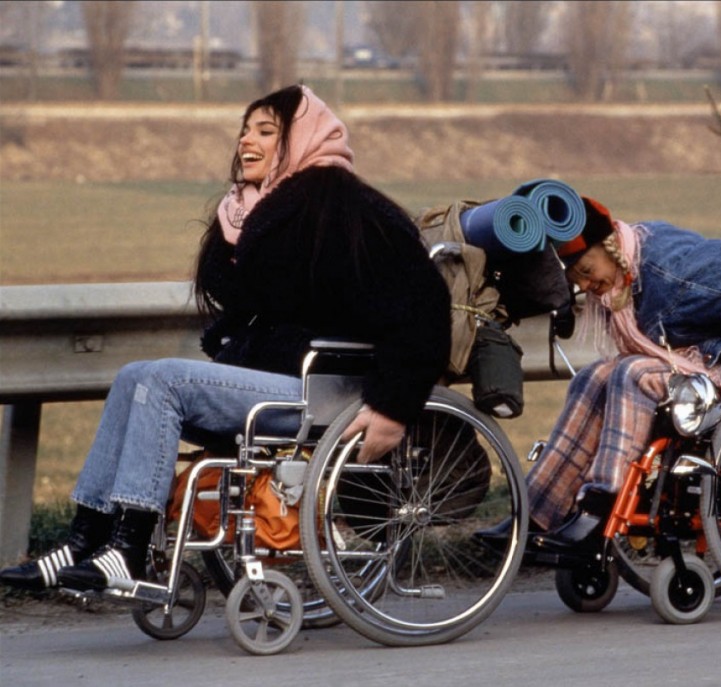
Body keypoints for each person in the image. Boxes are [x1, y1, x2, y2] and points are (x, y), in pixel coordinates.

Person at [1, 85, 451, 593]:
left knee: (163, 382)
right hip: (271, 376)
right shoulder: (259, 209)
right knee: (132, 377)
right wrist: (237, 232)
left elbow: (424, 306)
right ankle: (84, 541)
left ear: (303, 137)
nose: (245, 141)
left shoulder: (349, 209)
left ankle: (129, 549)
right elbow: (245, 296)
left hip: (324, 389)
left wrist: (392, 407)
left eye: (266, 131)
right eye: (244, 130)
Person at [478, 197, 721, 552]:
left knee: (632, 374)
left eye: (586, 270)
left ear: (610, 247)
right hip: (690, 361)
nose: (585, 284)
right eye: (576, 279)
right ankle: (538, 512)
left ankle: (601, 507)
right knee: (592, 378)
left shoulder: (671, 271)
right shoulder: (628, 267)